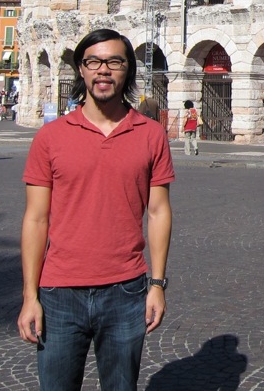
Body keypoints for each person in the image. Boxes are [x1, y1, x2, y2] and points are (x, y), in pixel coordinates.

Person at [17, 28, 175, 390]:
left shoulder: (151, 134)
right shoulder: (50, 137)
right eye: (93, 62)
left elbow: (158, 212)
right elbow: (36, 219)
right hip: (59, 291)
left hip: (126, 290)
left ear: (128, 69)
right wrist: (29, 296)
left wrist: (157, 284)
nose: (103, 70)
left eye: (114, 62)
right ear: (81, 69)